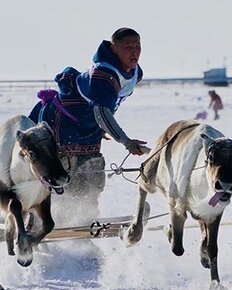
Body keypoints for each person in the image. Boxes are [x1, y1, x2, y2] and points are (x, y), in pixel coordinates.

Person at [28, 27, 150, 225]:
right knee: (63, 173)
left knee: (91, 172)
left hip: (89, 126)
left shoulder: (135, 73)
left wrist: (102, 126)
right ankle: (44, 218)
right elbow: (102, 110)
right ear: (113, 48)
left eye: (137, 46)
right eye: (127, 47)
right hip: (63, 121)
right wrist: (126, 141)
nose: (134, 51)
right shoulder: (104, 73)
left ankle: (85, 218)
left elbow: (110, 106)